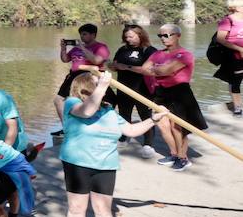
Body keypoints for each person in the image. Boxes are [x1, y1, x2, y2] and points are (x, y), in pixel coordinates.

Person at [58, 72, 164, 217]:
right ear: (86, 88)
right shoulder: (71, 104)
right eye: (97, 85)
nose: (104, 89)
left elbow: (131, 130)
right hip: (77, 163)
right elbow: (87, 111)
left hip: (105, 165)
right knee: (76, 207)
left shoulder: (108, 111)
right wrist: (102, 85)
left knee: (103, 210)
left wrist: (153, 120)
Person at [135, 24, 207, 171]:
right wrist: (160, 71)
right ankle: (175, 154)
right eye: (160, 35)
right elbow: (144, 69)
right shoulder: (157, 54)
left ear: (177, 36)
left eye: (167, 35)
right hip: (161, 91)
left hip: (180, 92)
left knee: (178, 126)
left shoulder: (184, 54)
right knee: (161, 124)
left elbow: (165, 70)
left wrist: (158, 70)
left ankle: (183, 158)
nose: (163, 38)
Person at [109, 24, 158, 158]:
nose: (128, 39)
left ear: (140, 35)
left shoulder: (149, 50)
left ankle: (148, 144)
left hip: (143, 89)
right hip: (123, 87)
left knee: (145, 115)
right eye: (126, 37)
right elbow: (116, 65)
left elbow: (148, 70)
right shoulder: (122, 49)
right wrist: (113, 66)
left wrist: (126, 67)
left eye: (131, 36)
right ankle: (124, 138)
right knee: (124, 114)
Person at [54, 24, 110, 134]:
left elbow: (97, 61)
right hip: (73, 76)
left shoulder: (101, 47)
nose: (82, 37)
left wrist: (83, 48)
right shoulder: (76, 48)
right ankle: (66, 127)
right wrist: (63, 49)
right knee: (58, 100)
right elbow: (65, 59)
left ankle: (93, 126)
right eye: (81, 34)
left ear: (93, 35)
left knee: (88, 101)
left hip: (89, 77)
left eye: (84, 34)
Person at [214, 0, 243, 116]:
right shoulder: (228, 20)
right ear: (235, 8)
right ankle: (238, 107)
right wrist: (239, 48)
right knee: (236, 80)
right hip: (233, 56)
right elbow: (220, 39)